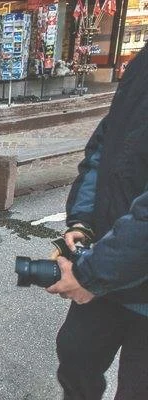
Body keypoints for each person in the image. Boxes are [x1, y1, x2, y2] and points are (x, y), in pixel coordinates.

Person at [45, 42, 148, 399]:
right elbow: (106, 147)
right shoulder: (143, 62)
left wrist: (90, 275)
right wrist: (83, 221)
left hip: (120, 267)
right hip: (110, 257)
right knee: (75, 357)